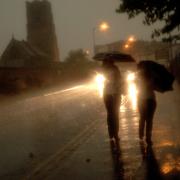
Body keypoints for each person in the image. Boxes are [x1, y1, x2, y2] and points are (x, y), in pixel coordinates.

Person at [102, 59, 122, 142]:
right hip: (114, 94)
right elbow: (120, 81)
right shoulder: (114, 69)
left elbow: (119, 81)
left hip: (108, 94)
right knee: (114, 114)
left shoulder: (104, 70)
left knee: (110, 114)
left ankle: (112, 133)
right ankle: (115, 134)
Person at [136, 65, 156, 145]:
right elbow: (154, 88)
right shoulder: (151, 78)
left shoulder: (138, 78)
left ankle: (141, 134)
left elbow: (138, 88)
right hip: (150, 99)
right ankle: (148, 138)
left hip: (141, 100)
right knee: (149, 120)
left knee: (142, 118)